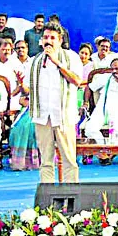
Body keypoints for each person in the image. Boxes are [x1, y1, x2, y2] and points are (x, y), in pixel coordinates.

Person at [28, 22, 83, 180]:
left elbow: (77, 81)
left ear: (60, 40)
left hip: (64, 116)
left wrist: (57, 62)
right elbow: (28, 89)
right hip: (42, 116)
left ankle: (71, 195)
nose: (48, 41)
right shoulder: (35, 61)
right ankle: (47, 200)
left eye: (52, 38)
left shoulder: (71, 57)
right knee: (45, 161)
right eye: (45, 37)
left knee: (69, 160)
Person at [84, 58, 118, 164]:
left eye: (117, 69)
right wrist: (85, 102)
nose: (114, 72)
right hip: (101, 109)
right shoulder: (106, 78)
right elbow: (89, 88)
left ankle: (108, 154)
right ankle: (104, 151)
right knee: (89, 129)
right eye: (112, 69)